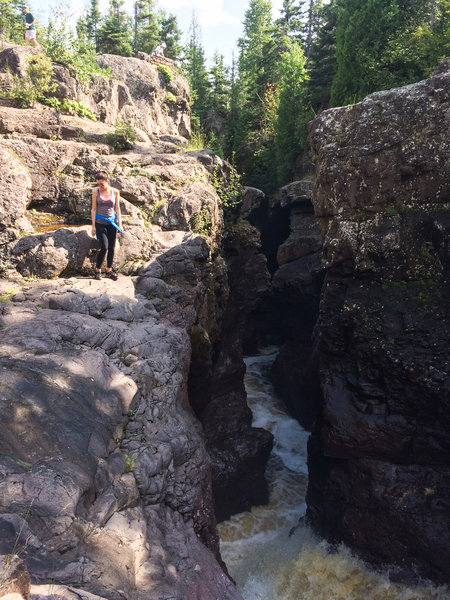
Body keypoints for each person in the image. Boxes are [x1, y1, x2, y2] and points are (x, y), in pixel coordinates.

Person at [91, 171, 123, 280]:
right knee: (104, 247)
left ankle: (109, 271)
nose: (100, 186)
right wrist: (93, 226)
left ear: (107, 181)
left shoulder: (115, 192)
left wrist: (120, 224)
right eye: (98, 184)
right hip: (100, 222)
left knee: (112, 248)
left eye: (102, 184)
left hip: (112, 223)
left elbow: (117, 208)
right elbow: (93, 208)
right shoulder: (95, 191)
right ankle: (97, 270)